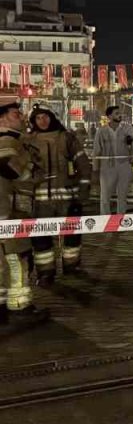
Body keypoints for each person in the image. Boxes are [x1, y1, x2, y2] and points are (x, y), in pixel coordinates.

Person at [25, 107, 90, 284]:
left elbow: (83, 163)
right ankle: (45, 273)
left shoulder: (66, 138)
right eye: (38, 118)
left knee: (72, 234)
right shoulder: (29, 140)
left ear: (52, 117)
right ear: (33, 121)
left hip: (68, 197)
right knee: (41, 236)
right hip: (41, 200)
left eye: (45, 116)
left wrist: (83, 189)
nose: (42, 121)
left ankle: (72, 265)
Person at [0, 100, 47, 328]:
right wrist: (32, 171)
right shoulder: (6, 140)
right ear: (2, 118)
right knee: (16, 256)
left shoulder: (15, 139)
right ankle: (20, 306)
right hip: (9, 210)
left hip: (8, 208)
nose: (21, 116)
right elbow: (8, 167)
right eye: (15, 114)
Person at [93, 105, 133, 214]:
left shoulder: (127, 129)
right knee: (105, 195)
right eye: (116, 113)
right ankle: (105, 219)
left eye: (119, 113)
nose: (119, 115)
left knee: (122, 195)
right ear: (109, 116)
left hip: (124, 165)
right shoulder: (101, 131)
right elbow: (96, 150)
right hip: (107, 166)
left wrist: (132, 160)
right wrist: (95, 168)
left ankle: (121, 219)